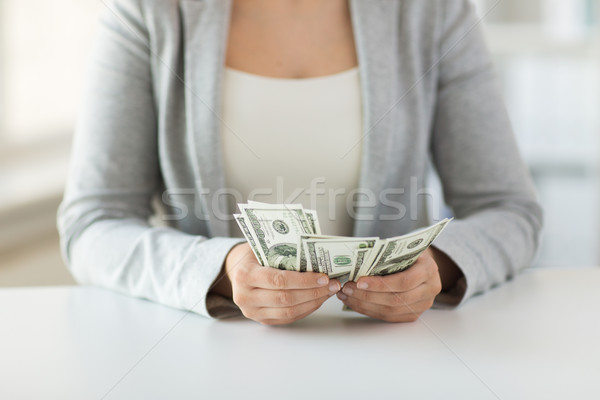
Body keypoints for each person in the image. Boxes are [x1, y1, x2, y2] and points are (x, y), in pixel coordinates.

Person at [58, 0, 543, 325]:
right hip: (211, 362)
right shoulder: (149, 12)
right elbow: (92, 222)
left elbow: (509, 209)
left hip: (397, 360)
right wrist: (219, 272)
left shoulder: (430, 12)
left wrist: (438, 266)